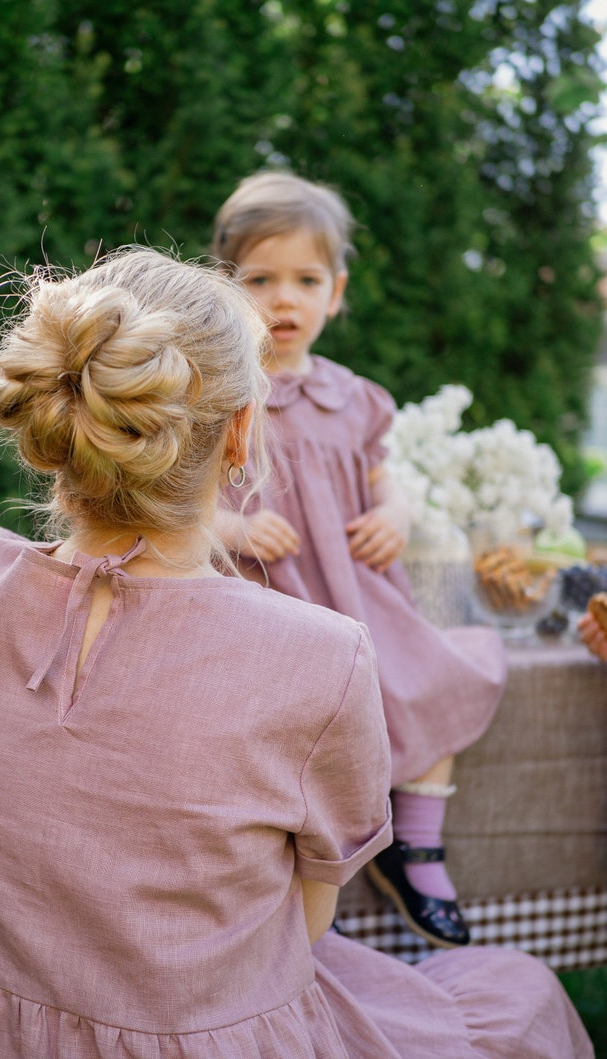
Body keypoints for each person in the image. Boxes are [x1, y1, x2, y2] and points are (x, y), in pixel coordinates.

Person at [0, 246, 592, 1058]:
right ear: (241, 432)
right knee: (518, 997)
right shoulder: (319, 654)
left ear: (54, 424)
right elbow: (310, 922)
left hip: (5, 1039)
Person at [212, 170, 508, 949]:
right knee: (297, 730)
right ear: (223, 288)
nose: (285, 300)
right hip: (269, 602)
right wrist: (230, 529)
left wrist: (394, 515)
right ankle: (302, 881)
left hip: (357, 594)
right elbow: (175, 501)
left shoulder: (358, 397)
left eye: (306, 280)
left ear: (335, 292)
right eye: (260, 279)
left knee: (439, 672)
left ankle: (416, 836)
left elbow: (387, 479)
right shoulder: (213, 395)